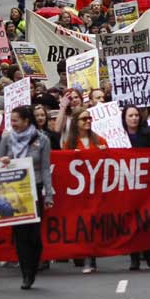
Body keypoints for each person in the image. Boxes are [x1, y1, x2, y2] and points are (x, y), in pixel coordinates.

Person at [0, 106, 53, 289]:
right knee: (20, 235)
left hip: (34, 189)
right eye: (11, 120)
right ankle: (26, 274)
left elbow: (45, 167)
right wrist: (3, 161)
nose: (12, 124)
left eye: (15, 120)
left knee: (34, 235)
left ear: (26, 121)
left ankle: (34, 263)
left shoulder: (42, 139)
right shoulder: (6, 138)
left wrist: (49, 194)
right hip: (14, 189)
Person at [63, 108, 108, 273]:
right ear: (76, 123)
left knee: (93, 225)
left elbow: (109, 162)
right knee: (84, 225)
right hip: (80, 193)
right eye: (84, 119)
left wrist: (105, 154)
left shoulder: (100, 140)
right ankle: (85, 256)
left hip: (97, 190)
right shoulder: (70, 143)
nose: (88, 121)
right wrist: (71, 156)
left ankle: (91, 258)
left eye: (89, 118)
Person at [122, 105, 150, 271]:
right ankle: (134, 257)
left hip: (144, 184)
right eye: (130, 116)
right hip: (125, 184)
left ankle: (147, 253)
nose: (134, 118)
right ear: (124, 119)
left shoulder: (147, 135)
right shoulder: (119, 136)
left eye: (136, 115)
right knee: (130, 221)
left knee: (143, 220)